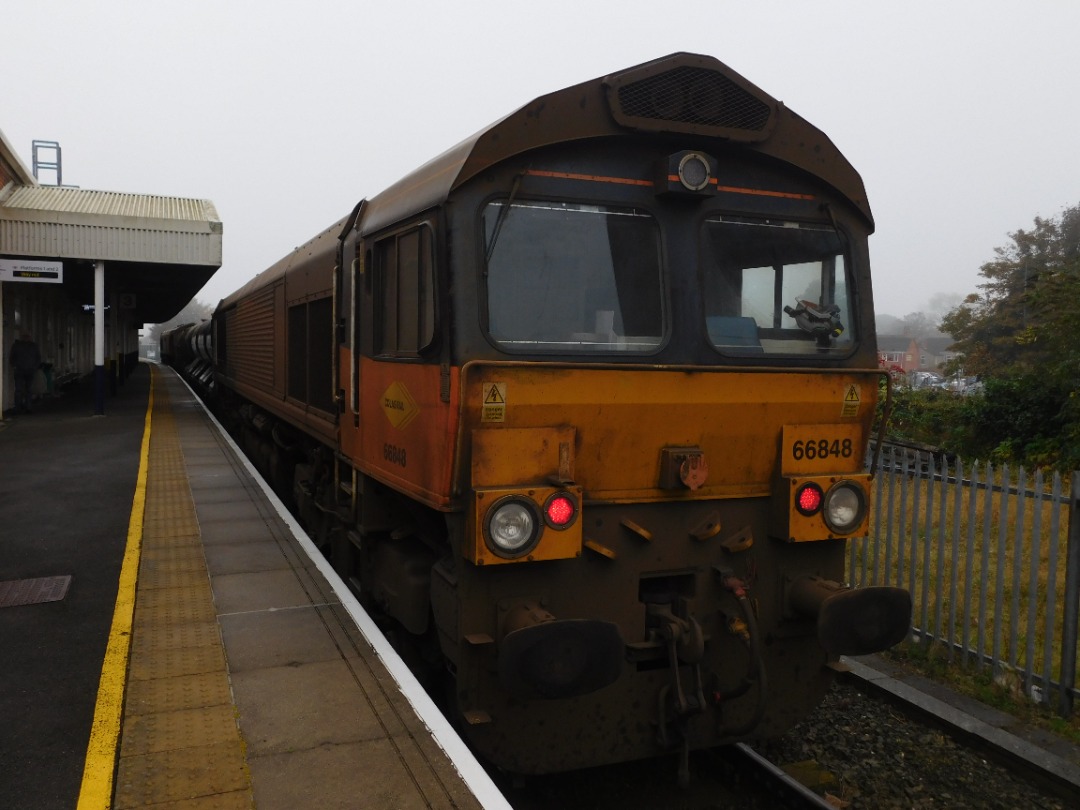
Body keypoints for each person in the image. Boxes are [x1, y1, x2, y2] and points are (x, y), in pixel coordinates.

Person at [10, 331, 42, 413]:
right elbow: (12, 357)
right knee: (21, 389)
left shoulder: (31, 346)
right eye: (25, 336)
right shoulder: (19, 346)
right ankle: (21, 407)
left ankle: (25, 407)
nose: (26, 338)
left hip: (27, 370)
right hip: (21, 370)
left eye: (27, 336)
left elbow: (38, 358)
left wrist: (34, 367)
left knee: (25, 389)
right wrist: (14, 365)